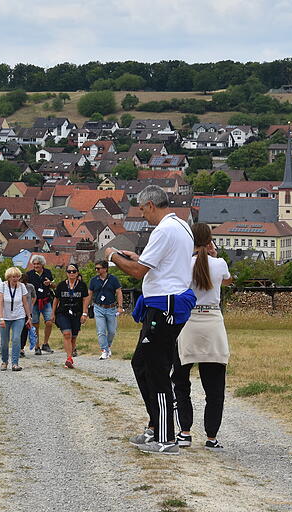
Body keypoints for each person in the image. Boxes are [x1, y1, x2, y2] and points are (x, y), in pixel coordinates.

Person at [105, 185, 196, 456]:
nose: (142, 214)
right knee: (141, 363)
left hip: (164, 307)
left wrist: (113, 256)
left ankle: (167, 438)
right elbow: (158, 263)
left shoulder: (163, 230)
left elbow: (136, 272)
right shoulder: (182, 226)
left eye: (142, 209)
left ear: (151, 205)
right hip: (165, 303)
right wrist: (137, 257)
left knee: (157, 371)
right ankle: (156, 424)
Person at [172, 223, 233, 452]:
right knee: (215, 386)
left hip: (188, 323)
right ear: (209, 241)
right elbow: (226, 280)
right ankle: (211, 436)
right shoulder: (219, 264)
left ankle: (184, 431)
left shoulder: (183, 264)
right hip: (213, 323)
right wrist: (214, 255)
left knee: (181, 379)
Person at [52, 263, 89, 369]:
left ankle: (71, 356)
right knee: (67, 334)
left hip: (77, 313)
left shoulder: (82, 285)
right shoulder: (61, 285)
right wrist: (52, 313)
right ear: (66, 273)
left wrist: (84, 313)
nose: (71, 273)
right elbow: (56, 299)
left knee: (73, 337)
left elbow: (85, 300)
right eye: (69, 271)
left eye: (74, 271)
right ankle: (68, 358)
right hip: (63, 313)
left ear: (77, 273)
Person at [0, 267, 33, 371]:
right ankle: (4, 361)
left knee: (16, 339)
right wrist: (2, 318)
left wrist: (29, 316)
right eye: (13, 276)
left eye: (18, 276)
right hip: (5, 316)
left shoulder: (22, 287)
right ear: (8, 277)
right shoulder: (2, 286)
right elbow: (0, 303)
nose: (16, 279)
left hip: (19, 316)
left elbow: (25, 303)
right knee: (4, 341)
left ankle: (15, 363)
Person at [88, 260, 124, 360]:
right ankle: (104, 350)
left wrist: (120, 307)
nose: (96, 270)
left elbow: (119, 292)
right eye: (95, 268)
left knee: (112, 331)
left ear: (105, 269)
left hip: (111, 308)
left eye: (98, 268)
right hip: (98, 307)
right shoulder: (93, 280)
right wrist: (85, 309)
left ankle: (108, 346)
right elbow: (89, 294)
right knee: (101, 330)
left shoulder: (113, 279)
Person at [26, 255, 55, 355]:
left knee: (49, 322)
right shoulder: (29, 274)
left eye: (38, 264)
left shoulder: (48, 272)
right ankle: (37, 346)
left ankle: (45, 344)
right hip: (34, 303)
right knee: (35, 324)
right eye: (34, 264)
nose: (36, 266)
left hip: (46, 301)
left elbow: (54, 286)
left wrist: (49, 283)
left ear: (42, 264)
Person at [19, 273, 37, 358]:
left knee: (25, 330)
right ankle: (17, 347)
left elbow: (34, 296)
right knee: (18, 329)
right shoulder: (16, 287)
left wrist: (31, 305)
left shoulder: (30, 287)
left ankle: (21, 348)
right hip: (18, 311)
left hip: (28, 312)